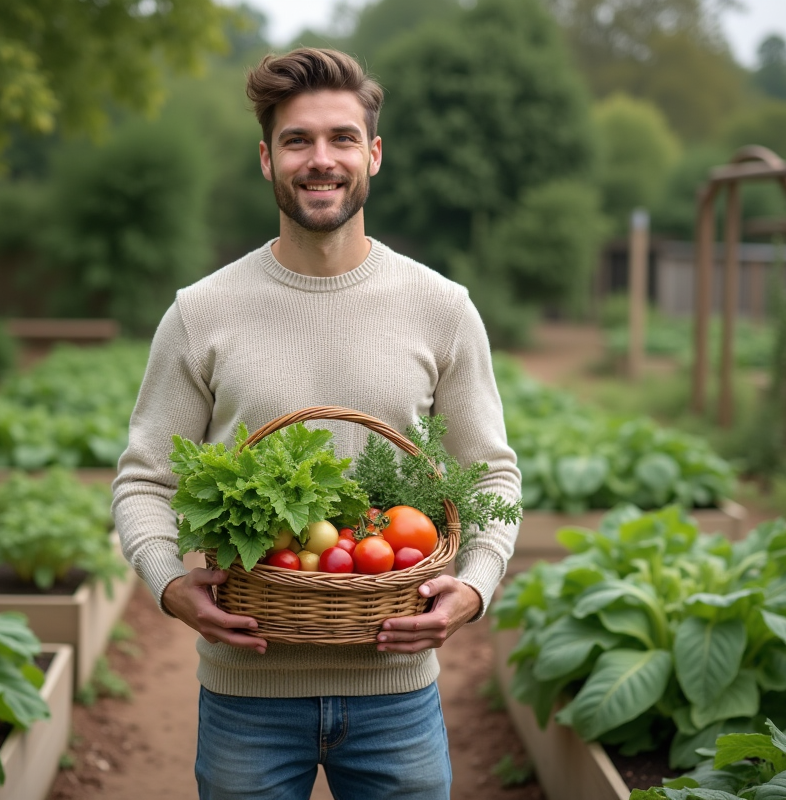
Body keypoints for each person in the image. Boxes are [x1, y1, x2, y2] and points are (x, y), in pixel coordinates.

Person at [112, 47, 521, 800]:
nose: (319, 160)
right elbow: (143, 481)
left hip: (398, 692)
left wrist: (476, 587)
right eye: (297, 140)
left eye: (340, 138)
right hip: (247, 693)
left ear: (373, 154)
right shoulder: (200, 312)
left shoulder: (442, 307)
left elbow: (493, 473)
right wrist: (169, 583)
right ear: (266, 160)